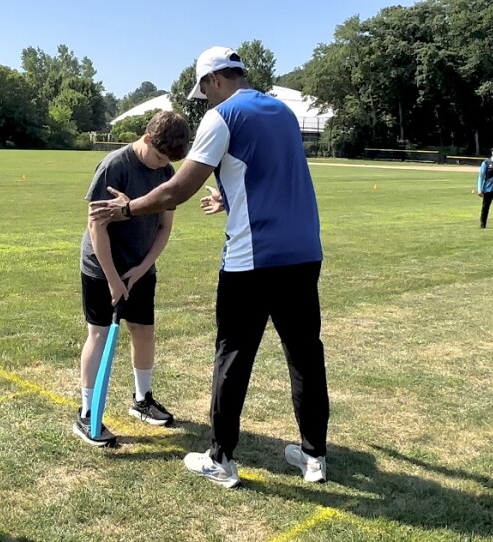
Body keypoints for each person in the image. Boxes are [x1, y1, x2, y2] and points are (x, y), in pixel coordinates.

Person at [89, 46, 329, 488]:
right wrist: (230, 199)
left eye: (204, 93)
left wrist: (127, 209)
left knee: (233, 355)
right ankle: (314, 456)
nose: (206, 102)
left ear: (213, 80)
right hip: (305, 252)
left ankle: (221, 459)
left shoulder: (222, 116)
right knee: (305, 355)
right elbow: (270, 177)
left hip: (252, 260)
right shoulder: (282, 112)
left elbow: (176, 190)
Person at [74, 111, 191, 447]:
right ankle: (87, 413)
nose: (161, 165)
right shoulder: (116, 165)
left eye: (167, 160)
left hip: (139, 269)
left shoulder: (167, 171)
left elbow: (164, 227)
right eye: (158, 156)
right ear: (148, 138)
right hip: (101, 267)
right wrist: (113, 278)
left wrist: (142, 269)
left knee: (143, 331)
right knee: (97, 335)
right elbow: (96, 226)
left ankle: (142, 400)